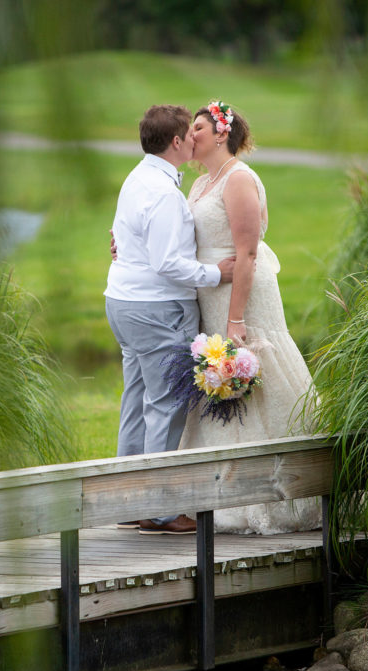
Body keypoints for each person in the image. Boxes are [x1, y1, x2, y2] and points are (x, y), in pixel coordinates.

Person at [178, 101, 321, 534]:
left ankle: (274, 496)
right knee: (217, 387)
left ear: (221, 134)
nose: (190, 135)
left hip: (243, 300)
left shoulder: (239, 178)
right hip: (210, 299)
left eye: (198, 127)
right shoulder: (201, 184)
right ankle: (211, 494)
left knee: (258, 379)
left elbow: (248, 252)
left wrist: (236, 320)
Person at [104, 104, 236, 535]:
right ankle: (159, 509)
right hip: (156, 306)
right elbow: (166, 263)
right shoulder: (163, 192)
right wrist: (218, 273)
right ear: (177, 142)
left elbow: (127, 236)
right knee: (164, 404)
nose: (195, 140)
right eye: (189, 134)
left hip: (123, 301)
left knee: (137, 399)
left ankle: (126, 502)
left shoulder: (138, 177)